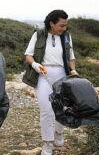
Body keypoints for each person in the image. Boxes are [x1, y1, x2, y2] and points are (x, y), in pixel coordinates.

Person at [23, 10, 78, 155]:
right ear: (51, 23)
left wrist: (73, 70)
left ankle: (59, 132)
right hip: (43, 75)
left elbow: (71, 57)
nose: (64, 28)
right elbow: (28, 55)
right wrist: (35, 65)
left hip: (62, 75)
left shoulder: (67, 36)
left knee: (63, 108)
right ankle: (47, 143)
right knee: (47, 110)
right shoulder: (38, 34)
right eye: (61, 25)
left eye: (66, 25)